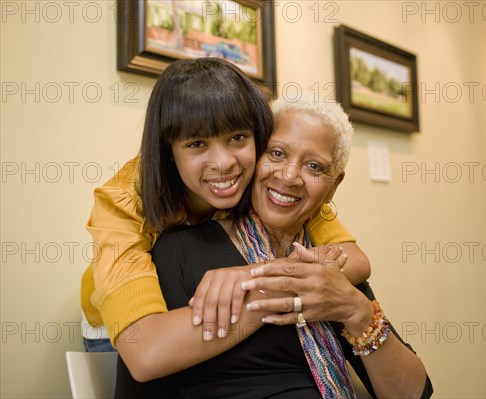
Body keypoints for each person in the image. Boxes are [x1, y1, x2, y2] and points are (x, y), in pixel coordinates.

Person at [115, 97, 433, 398]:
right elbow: (142, 378)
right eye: (277, 153)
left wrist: (357, 311)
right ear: (254, 159)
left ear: (333, 186)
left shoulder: (329, 264)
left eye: (315, 167)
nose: (290, 176)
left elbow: (411, 392)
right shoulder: (180, 251)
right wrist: (275, 285)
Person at [80, 58, 370, 351]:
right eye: (196, 144)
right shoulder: (124, 199)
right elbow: (143, 347)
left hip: (215, 310)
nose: (224, 163)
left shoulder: (267, 177)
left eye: (237, 138)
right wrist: (268, 281)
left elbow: (354, 260)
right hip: (119, 325)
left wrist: (252, 275)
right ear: (169, 150)